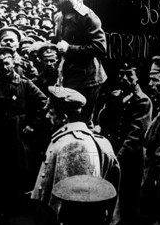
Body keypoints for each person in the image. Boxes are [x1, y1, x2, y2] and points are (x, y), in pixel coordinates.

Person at [31, 86, 118, 215]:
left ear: (64, 117)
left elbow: (69, 202)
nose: (46, 115)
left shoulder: (74, 146)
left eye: (50, 111)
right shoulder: (67, 139)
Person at [0, 47, 48, 217]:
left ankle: (24, 211)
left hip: (19, 133)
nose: (4, 67)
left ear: (13, 62)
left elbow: (44, 102)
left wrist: (33, 124)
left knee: (22, 171)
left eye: (7, 63)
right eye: (0, 64)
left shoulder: (24, 84)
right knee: (1, 172)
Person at [46, 0, 108, 126]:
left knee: (82, 122)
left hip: (87, 80)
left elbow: (100, 47)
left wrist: (70, 49)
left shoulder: (85, 15)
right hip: (67, 77)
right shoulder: (58, 16)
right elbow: (59, 43)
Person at [97, 62, 152, 224]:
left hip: (130, 157)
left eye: (129, 74)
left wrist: (118, 157)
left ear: (137, 77)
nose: (125, 78)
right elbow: (105, 121)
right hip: (113, 151)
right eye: (122, 74)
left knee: (130, 195)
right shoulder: (116, 95)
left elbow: (136, 134)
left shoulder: (143, 101)